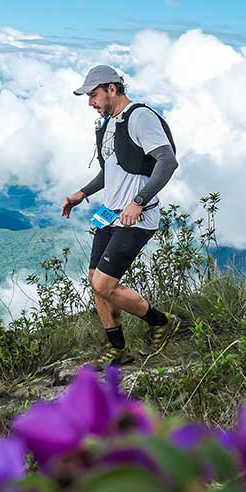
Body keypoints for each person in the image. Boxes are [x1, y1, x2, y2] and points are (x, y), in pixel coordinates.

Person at [61, 65, 181, 368]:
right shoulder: (109, 123)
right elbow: (113, 169)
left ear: (112, 89)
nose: (90, 102)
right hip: (110, 215)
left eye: (94, 94)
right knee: (95, 281)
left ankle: (162, 322)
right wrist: (82, 193)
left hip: (136, 218)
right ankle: (116, 348)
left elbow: (167, 161)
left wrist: (139, 201)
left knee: (104, 284)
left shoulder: (140, 117)